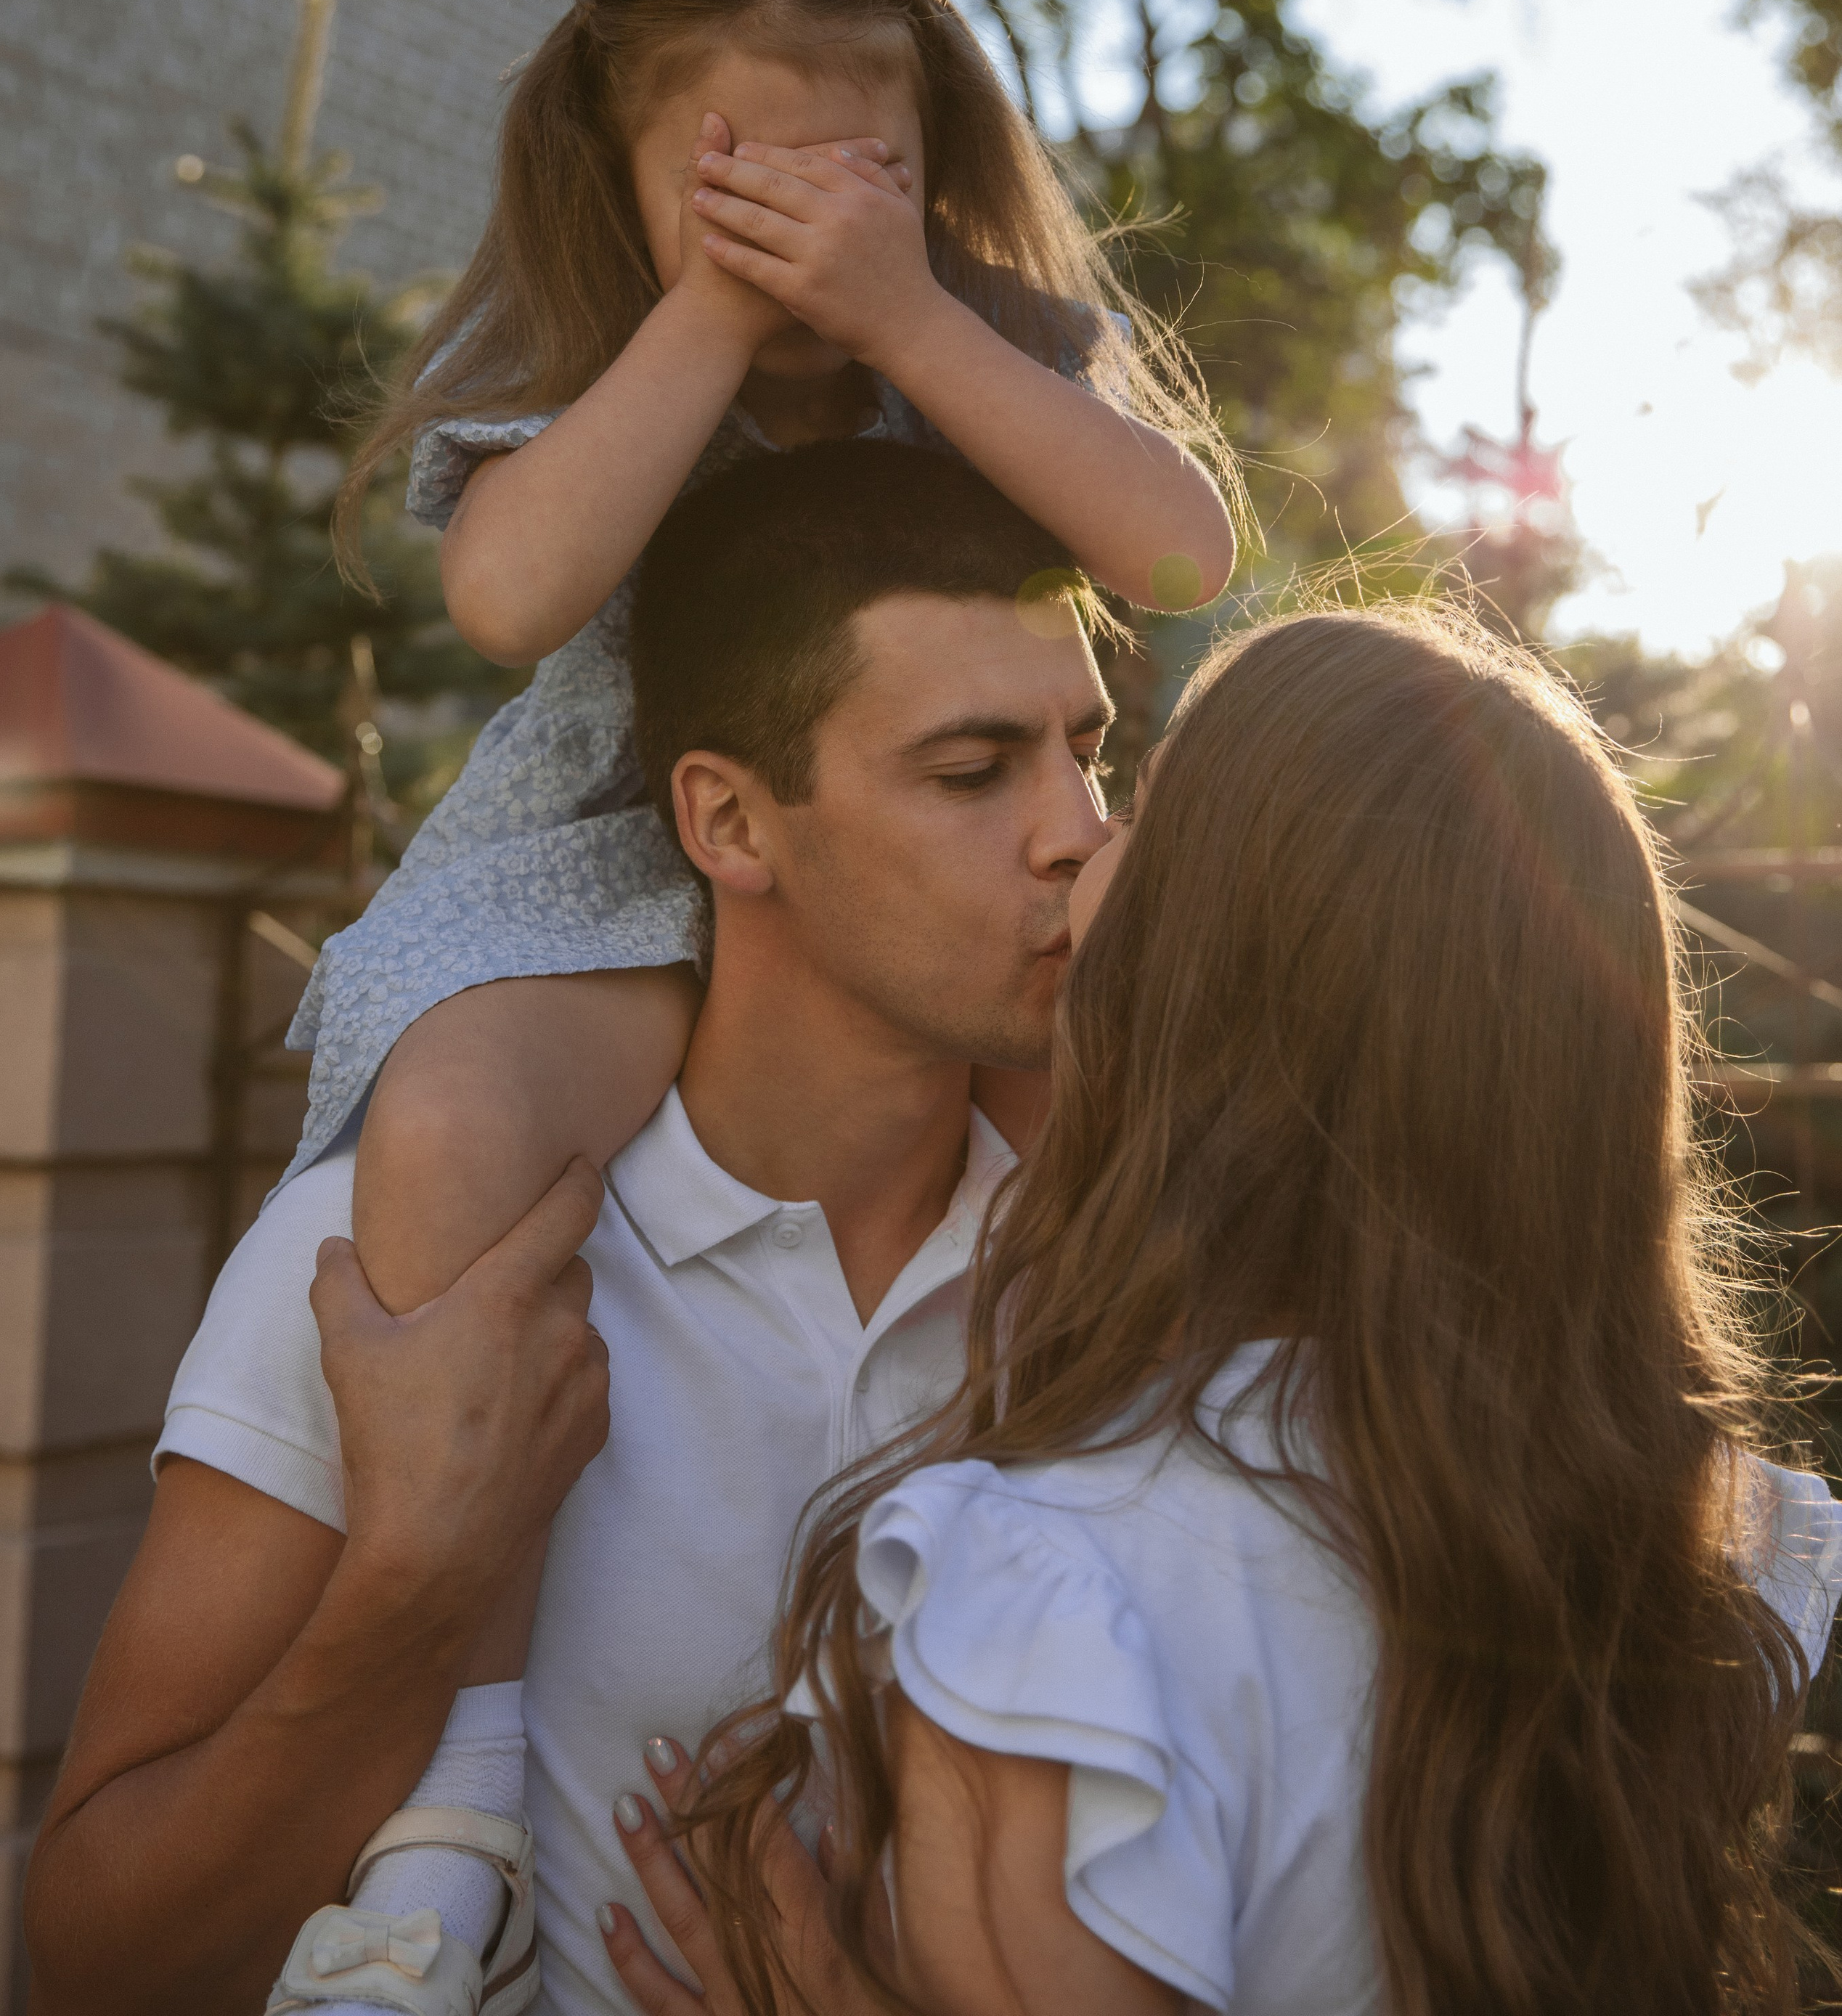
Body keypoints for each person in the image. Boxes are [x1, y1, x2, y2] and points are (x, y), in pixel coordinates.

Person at [613, 604, 1842, 2016]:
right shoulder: (1689, 1550)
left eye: (1138, 807)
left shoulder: (1058, 1608)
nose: (1079, 849)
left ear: (1200, 973)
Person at [22, 442, 1120, 2016]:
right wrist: (412, 1585)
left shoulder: (1139, 1293)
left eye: (1089, 749)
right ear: (729, 824)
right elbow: (92, 1957)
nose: (1075, 832)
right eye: (970, 772)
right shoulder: (410, 1269)